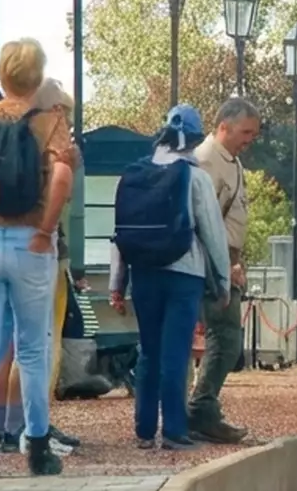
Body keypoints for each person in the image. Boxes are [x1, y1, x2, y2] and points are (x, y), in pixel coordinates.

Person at [0, 39, 75, 477]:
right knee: (31, 347)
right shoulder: (50, 122)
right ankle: (38, 447)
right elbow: (60, 174)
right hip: (31, 242)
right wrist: (45, 230)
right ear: (38, 75)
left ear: (2, 74)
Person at [108, 105, 231, 450]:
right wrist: (222, 281)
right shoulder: (194, 177)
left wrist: (117, 284)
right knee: (175, 352)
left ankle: (145, 430)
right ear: (193, 139)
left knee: (149, 350)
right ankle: (174, 430)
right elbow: (212, 233)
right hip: (184, 273)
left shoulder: (132, 175)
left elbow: (119, 234)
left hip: (143, 273)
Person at [188, 95, 261, 444]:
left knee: (226, 337)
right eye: (246, 131)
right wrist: (225, 263)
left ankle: (202, 407)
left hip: (227, 258)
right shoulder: (206, 162)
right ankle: (201, 408)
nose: (250, 139)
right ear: (223, 127)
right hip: (214, 260)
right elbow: (204, 220)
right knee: (226, 336)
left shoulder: (228, 160)